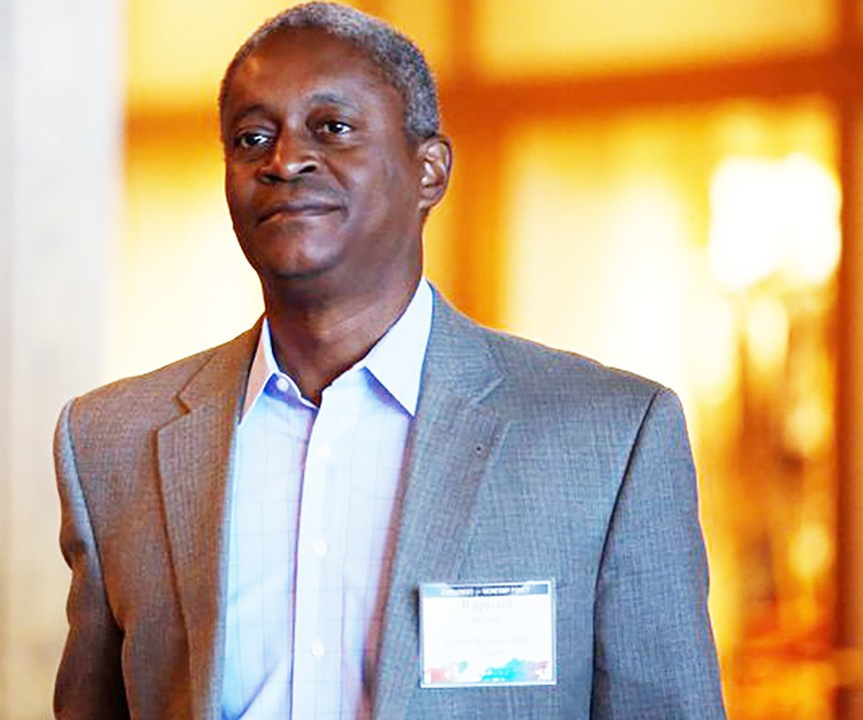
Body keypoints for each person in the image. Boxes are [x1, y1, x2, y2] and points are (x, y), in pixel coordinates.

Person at [52, 3, 727, 718]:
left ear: (429, 170)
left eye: (332, 128)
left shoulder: (609, 437)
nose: (284, 160)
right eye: (253, 138)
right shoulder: (111, 442)